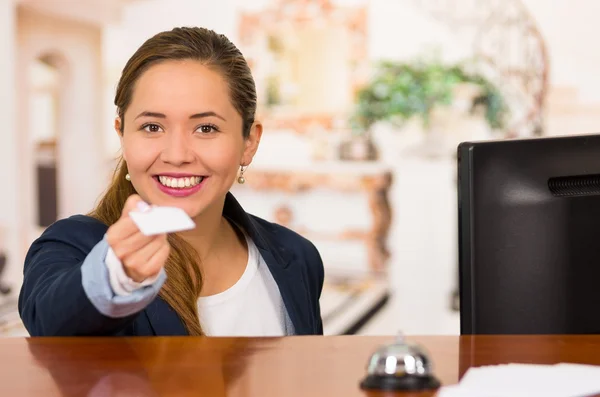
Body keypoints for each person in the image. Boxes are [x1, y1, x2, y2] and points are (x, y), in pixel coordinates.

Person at [18, 26, 324, 337]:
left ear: (249, 142)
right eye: (152, 127)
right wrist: (117, 276)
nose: (177, 155)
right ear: (122, 135)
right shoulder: (71, 246)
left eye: (206, 128)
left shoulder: (297, 256)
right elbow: (51, 322)